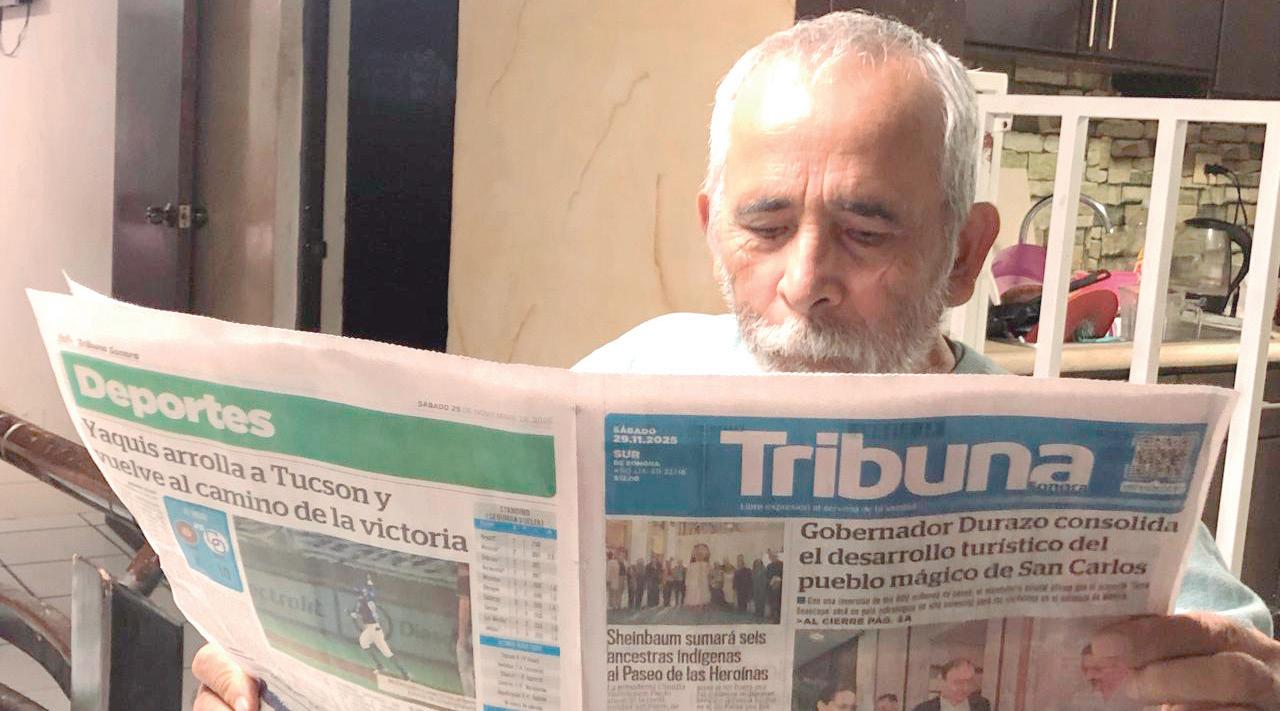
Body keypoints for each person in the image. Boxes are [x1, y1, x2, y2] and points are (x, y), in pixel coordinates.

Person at [193, 11, 1280, 710]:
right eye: (764, 226)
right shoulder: (625, 378)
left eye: (865, 230)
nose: (805, 280)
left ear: (962, 255)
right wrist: (279, 675)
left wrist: (1236, 684)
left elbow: (1227, 652)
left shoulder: (1066, 469)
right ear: (712, 228)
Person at [350, 574, 410, 682]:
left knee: (381, 650)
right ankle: (390, 668)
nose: (358, 595)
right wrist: (369, 582)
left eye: (358, 593)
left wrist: (351, 613)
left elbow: (358, 614)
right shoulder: (369, 597)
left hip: (373, 629)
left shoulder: (363, 602)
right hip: (373, 629)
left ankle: (398, 671)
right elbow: (371, 590)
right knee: (367, 644)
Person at [910, 659, 988, 711]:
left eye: (969, 682)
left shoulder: (982, 706)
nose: (965, 688)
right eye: (958, 682)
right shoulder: (923, 709)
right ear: (942, 681)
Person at [684, 543, 711, 610]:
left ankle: (701, 605)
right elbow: (688, 574)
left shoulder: (705, 565)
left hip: (703, 582)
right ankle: (694, 605)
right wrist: (687, 583)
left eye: (701, 555)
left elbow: (708, 573)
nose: (699, 557)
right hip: (693, 582)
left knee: (702, 594)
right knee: (693, 594)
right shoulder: (691, 565)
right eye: (698, 555)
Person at [765, 549, 784, 623]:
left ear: (776, 556)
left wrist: (778, 580)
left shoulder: (782, 564)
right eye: (771, 557)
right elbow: (766, 576)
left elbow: (784, 575)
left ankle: (778, 618)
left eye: (774, 556)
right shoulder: (769, 566)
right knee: (772, 603)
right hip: (771, 587)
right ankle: (773, 617)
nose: (772, 558)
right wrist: (770, 582)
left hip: (780, 587)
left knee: (778, 604)